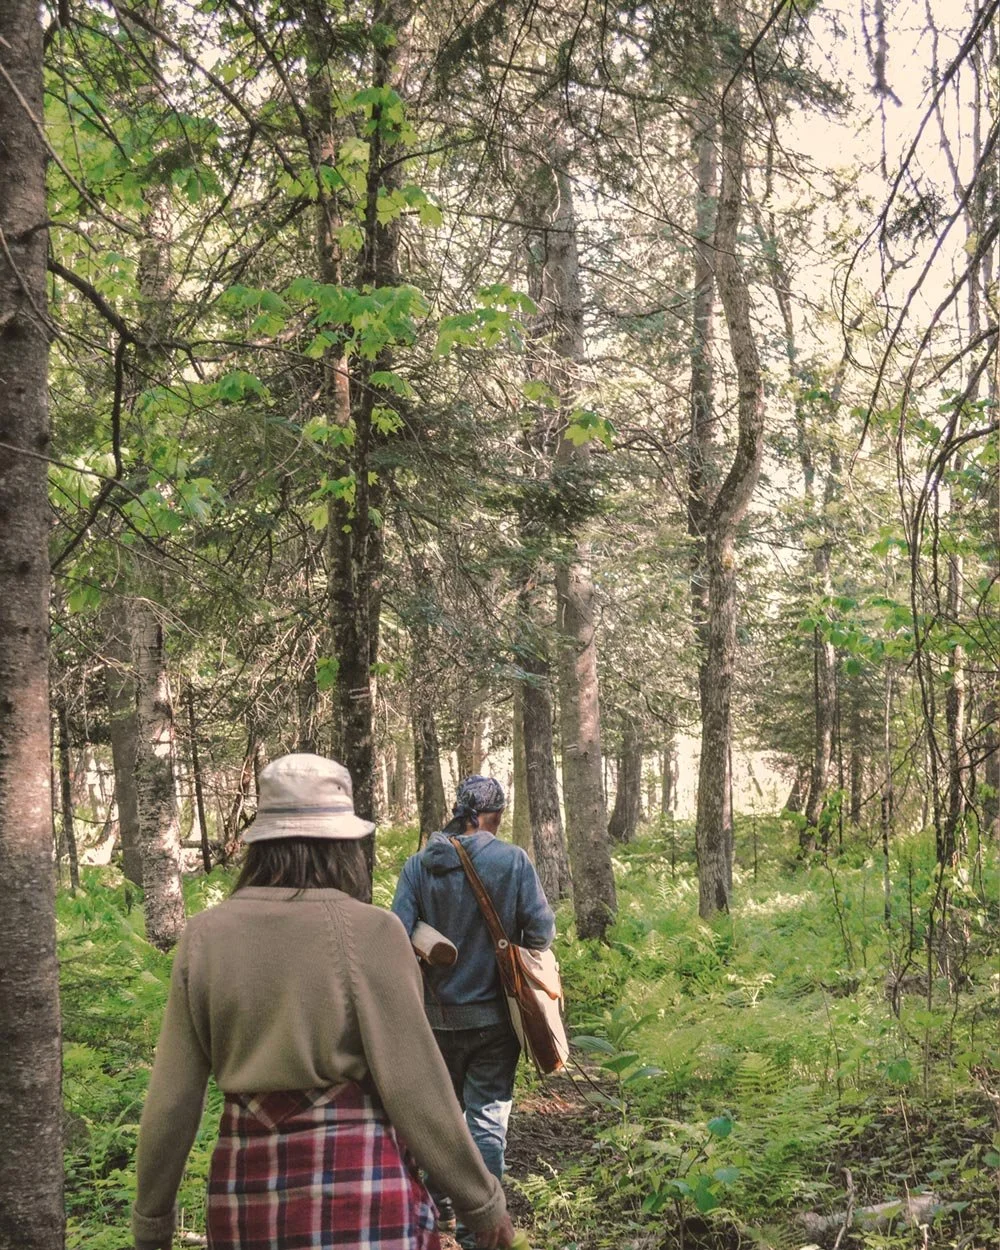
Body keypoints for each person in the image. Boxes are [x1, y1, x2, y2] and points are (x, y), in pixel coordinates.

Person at [131, 753, 514, 1250]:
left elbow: (172, 1100)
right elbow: (418, 1087)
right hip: (363, 1191)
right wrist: (481, 1205)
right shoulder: (373, 931)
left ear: (260, 843)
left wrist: (151, 1222)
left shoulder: (206, 937)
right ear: (345, 843)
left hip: (246, 1191)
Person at [391, 776, 555, 1247]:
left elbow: (397, 936)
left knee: (443, 1116)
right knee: (486, 1118)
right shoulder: (513, 861)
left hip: (434, 1019)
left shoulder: (418, 866)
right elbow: (541, 934)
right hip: (495, 1020)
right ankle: (478, 1229)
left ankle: (440, 1202)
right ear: (493, 815)